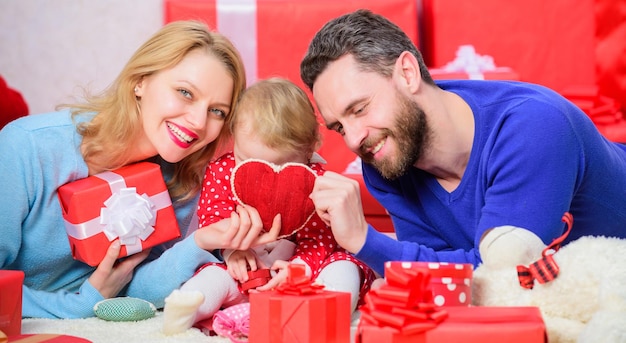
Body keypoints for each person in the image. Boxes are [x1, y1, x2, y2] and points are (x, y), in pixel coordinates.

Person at [300, 9, 626, 276]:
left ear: (408, 74)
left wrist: (363, 241)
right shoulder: (387, 159)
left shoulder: (533, 126)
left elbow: (502, 274)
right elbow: (442, 276)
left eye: (359, 109)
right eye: (339, 128)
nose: (354, 139)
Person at [0, 20, 281, 319]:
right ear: (140, 81)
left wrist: (201, 242)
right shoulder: (28, 148)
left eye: (217, 111)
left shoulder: (183, 181)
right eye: (185, 92)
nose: (199, 122)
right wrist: (80, 304)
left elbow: (135, 292)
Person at [162, 78, 375, 335]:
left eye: (278, 165)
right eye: (245, 159)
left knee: (344, 266)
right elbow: (213, 215)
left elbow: (321, 238)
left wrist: (299, 268)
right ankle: (187, 307)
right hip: (245, 268)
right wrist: (232, 252)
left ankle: (328, 311)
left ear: (310, 149)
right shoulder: (222, 171)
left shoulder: (316, 180)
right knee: (213, 277)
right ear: (234, 139)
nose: (262, 175)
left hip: (305, 275)